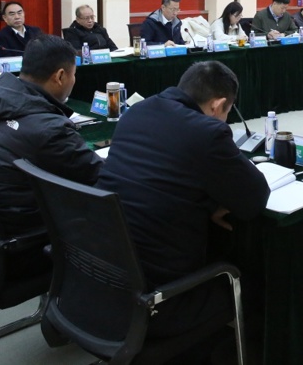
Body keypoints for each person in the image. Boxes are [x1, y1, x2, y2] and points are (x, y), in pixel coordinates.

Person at [96, 61, 270, 342]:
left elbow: (159, 179)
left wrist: (209, 204)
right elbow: (254, 201)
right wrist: (216, 203)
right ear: (217, 105)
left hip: (103, 275)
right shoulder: (207, 132)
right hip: (163, 296)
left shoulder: (136, 112)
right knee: (256, 279)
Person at [0, 35, 103, 235]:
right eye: (74, 74)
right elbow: (95, 174)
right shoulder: (50, 129)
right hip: (22, 224)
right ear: (60, 76)